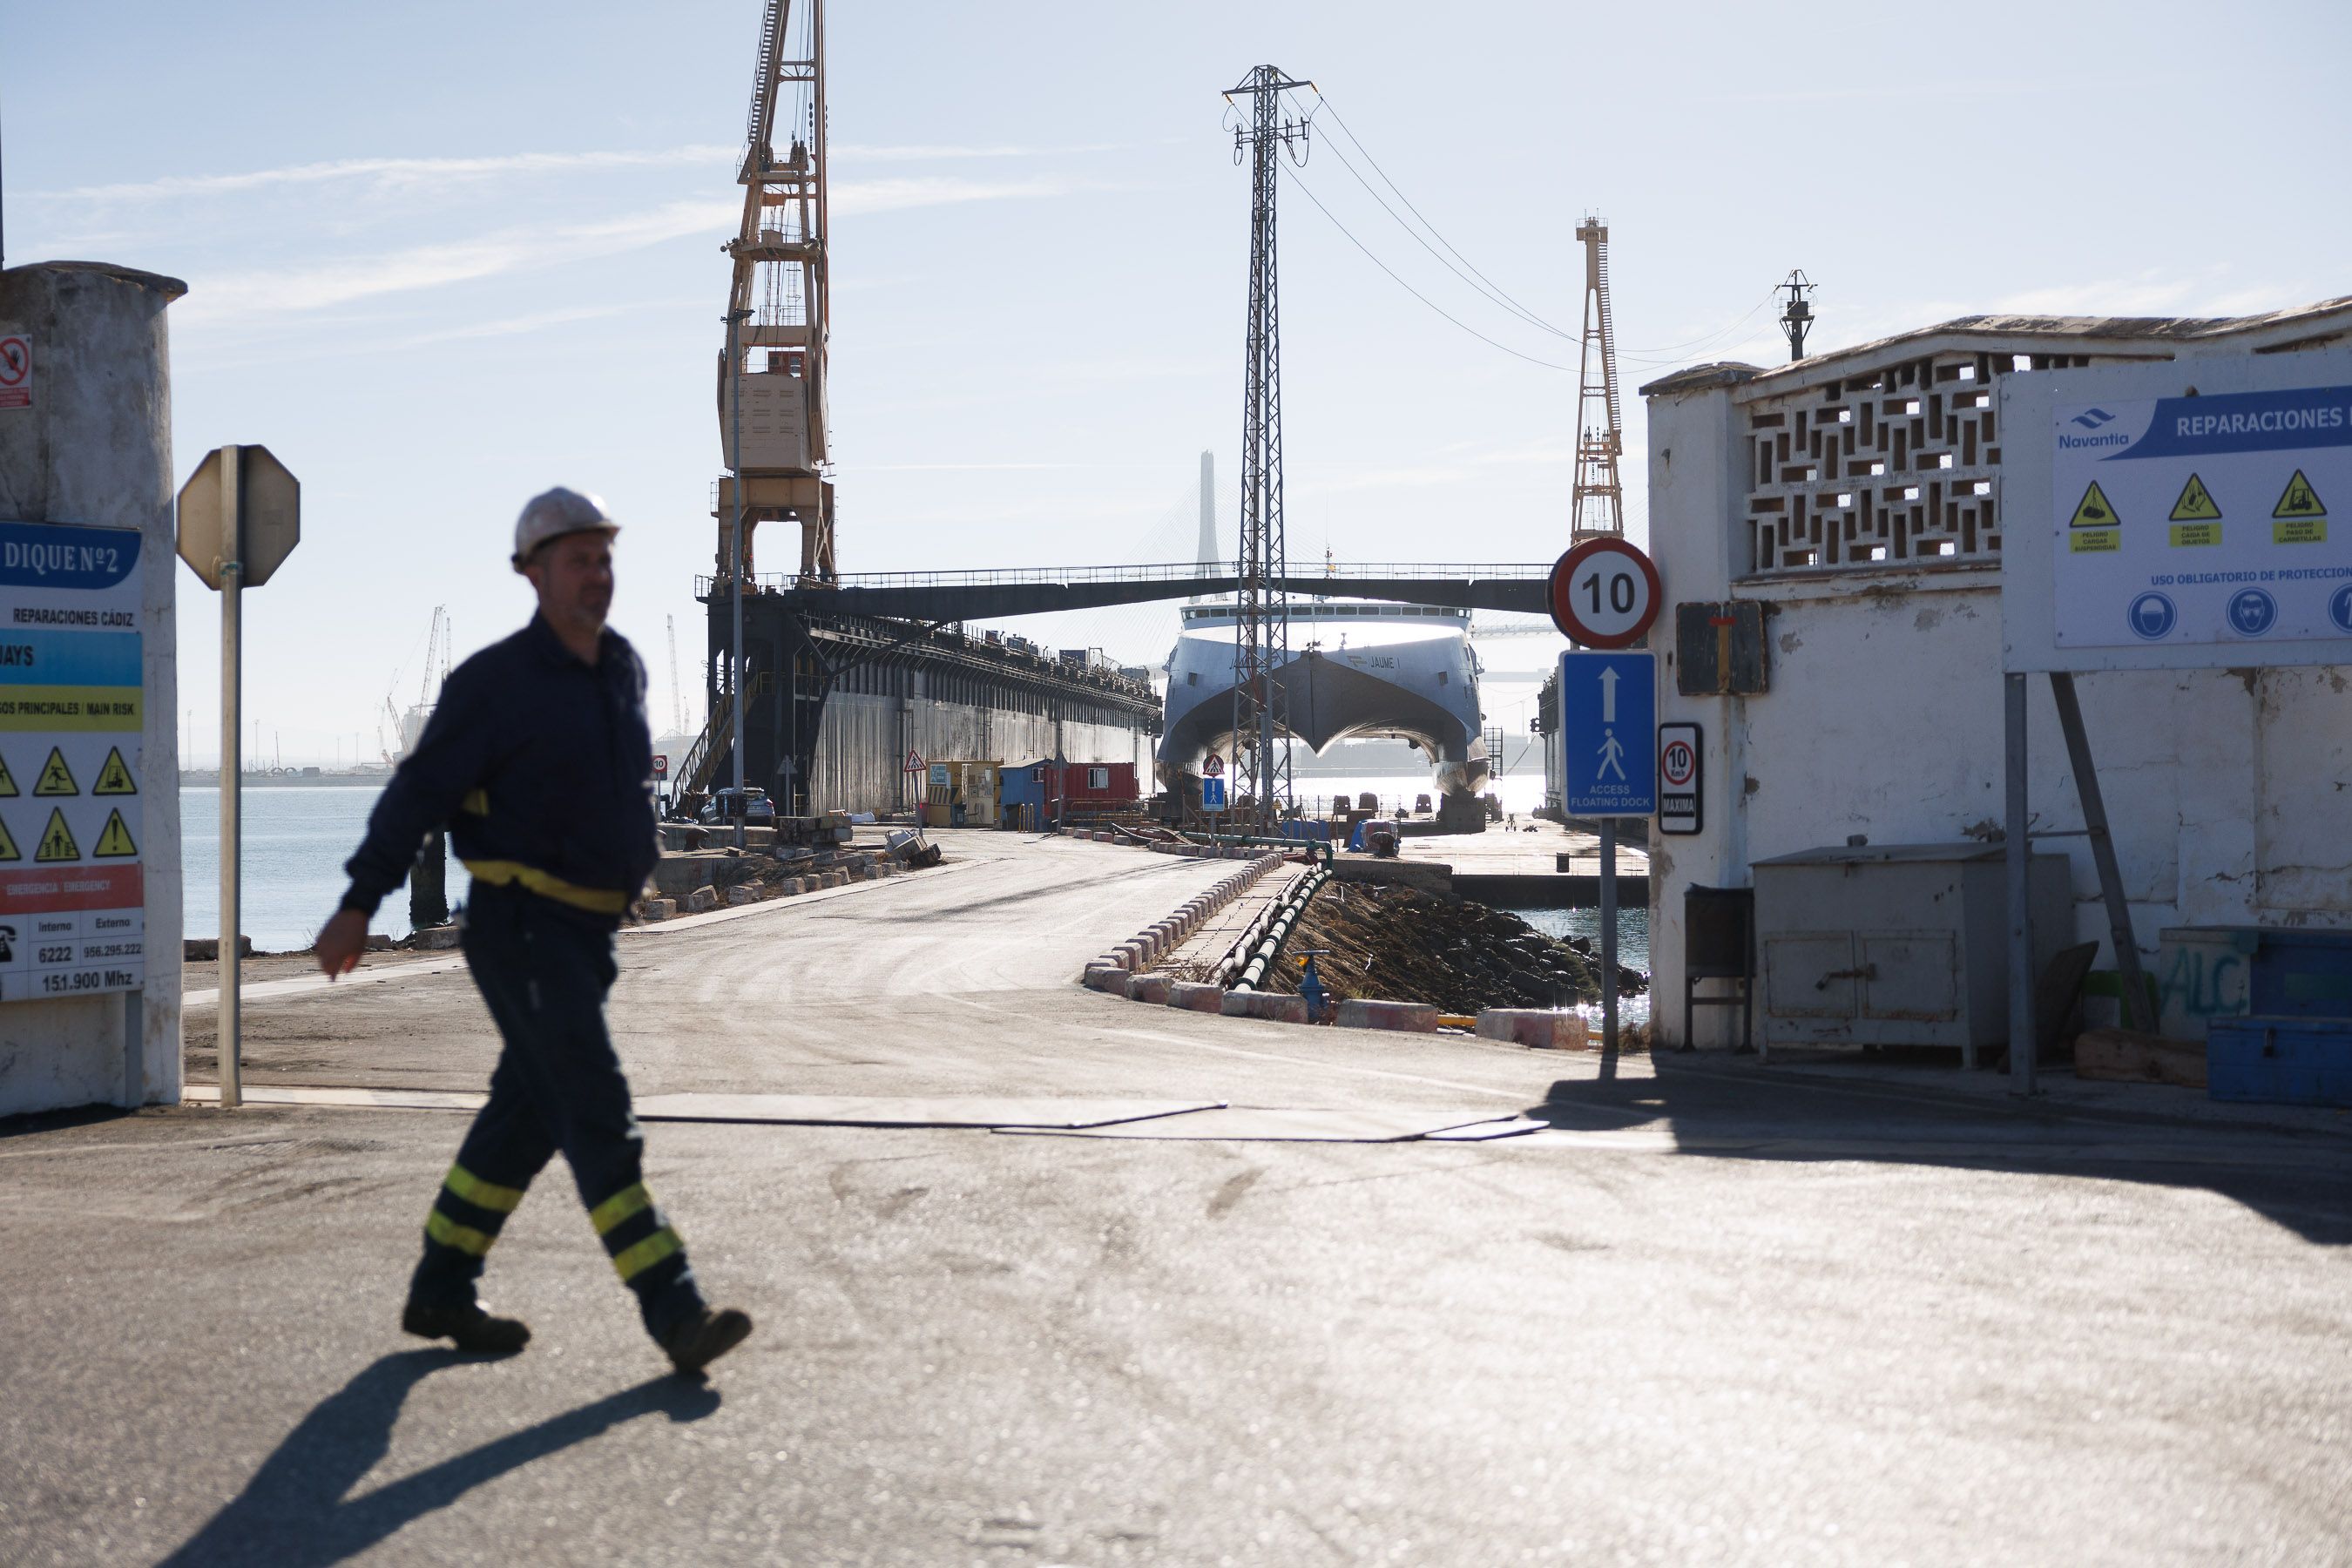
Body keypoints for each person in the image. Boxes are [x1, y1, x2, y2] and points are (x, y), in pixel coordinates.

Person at [315, 487, 752, 1376]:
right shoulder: (494, 684)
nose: (598, 574)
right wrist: (361, 901)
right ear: (533, 573)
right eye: (578, 560)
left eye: (604, 558)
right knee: (596, 1111)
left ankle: (441, 1286)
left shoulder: (622, 666)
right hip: (522, 926)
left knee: (524, 1118)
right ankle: (675, 1309)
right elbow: (418, 794)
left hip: (587, 938)